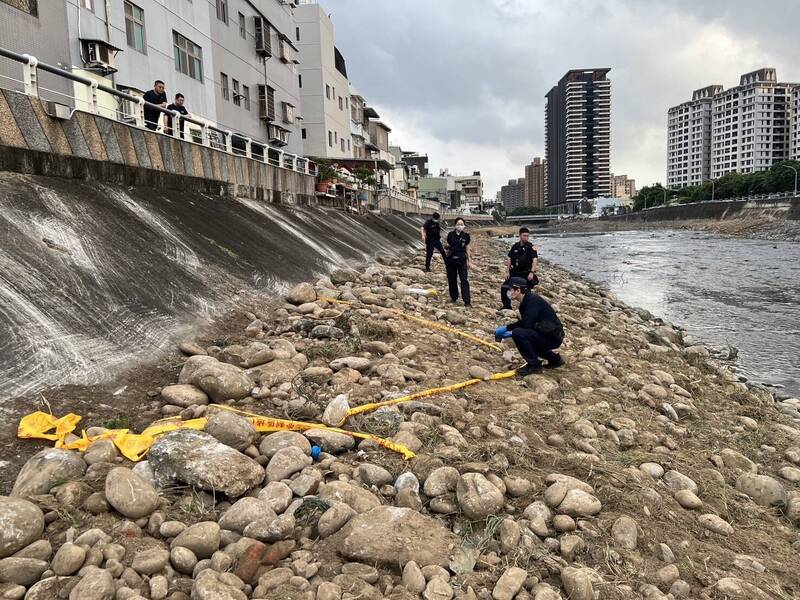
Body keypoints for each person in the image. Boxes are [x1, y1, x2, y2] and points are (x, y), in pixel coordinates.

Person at [495, 277, 564, 376]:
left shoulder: (532, 301)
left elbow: (526, 324)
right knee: (527, 339)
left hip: (553, 336)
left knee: (518, 333)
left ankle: (534, 366)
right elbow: (528, 324)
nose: (508, 291)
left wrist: (507, 329)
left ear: (518, 290)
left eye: (510, 289)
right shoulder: (525, 302)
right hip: (545, 333)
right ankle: (555, 360)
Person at [500, 227, 538, 310]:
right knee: (504, 287)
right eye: (524, 235)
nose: (526, 237)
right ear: (520, 235)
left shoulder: (531, 246)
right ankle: (507, 306)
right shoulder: (515, 246)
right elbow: (509, 258)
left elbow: (535, 259)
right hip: (515, 272)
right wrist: (507, 272)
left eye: (527, 236)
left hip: (526, 273)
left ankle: (527, 307)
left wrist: (532, 272)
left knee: (525, 291)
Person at [445, 217, 471, 306]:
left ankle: (467, 301)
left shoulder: (466, 236)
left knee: (464, 280)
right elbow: (448, 246)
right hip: (451, 260)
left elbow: (467, 248)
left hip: (462, 260)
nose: (460, 226)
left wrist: (469, 261)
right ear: (455, 225)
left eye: (461, 224)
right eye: (458, 224)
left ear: (464, 225)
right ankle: (454, 297)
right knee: (452, 279)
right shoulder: (450, 235)